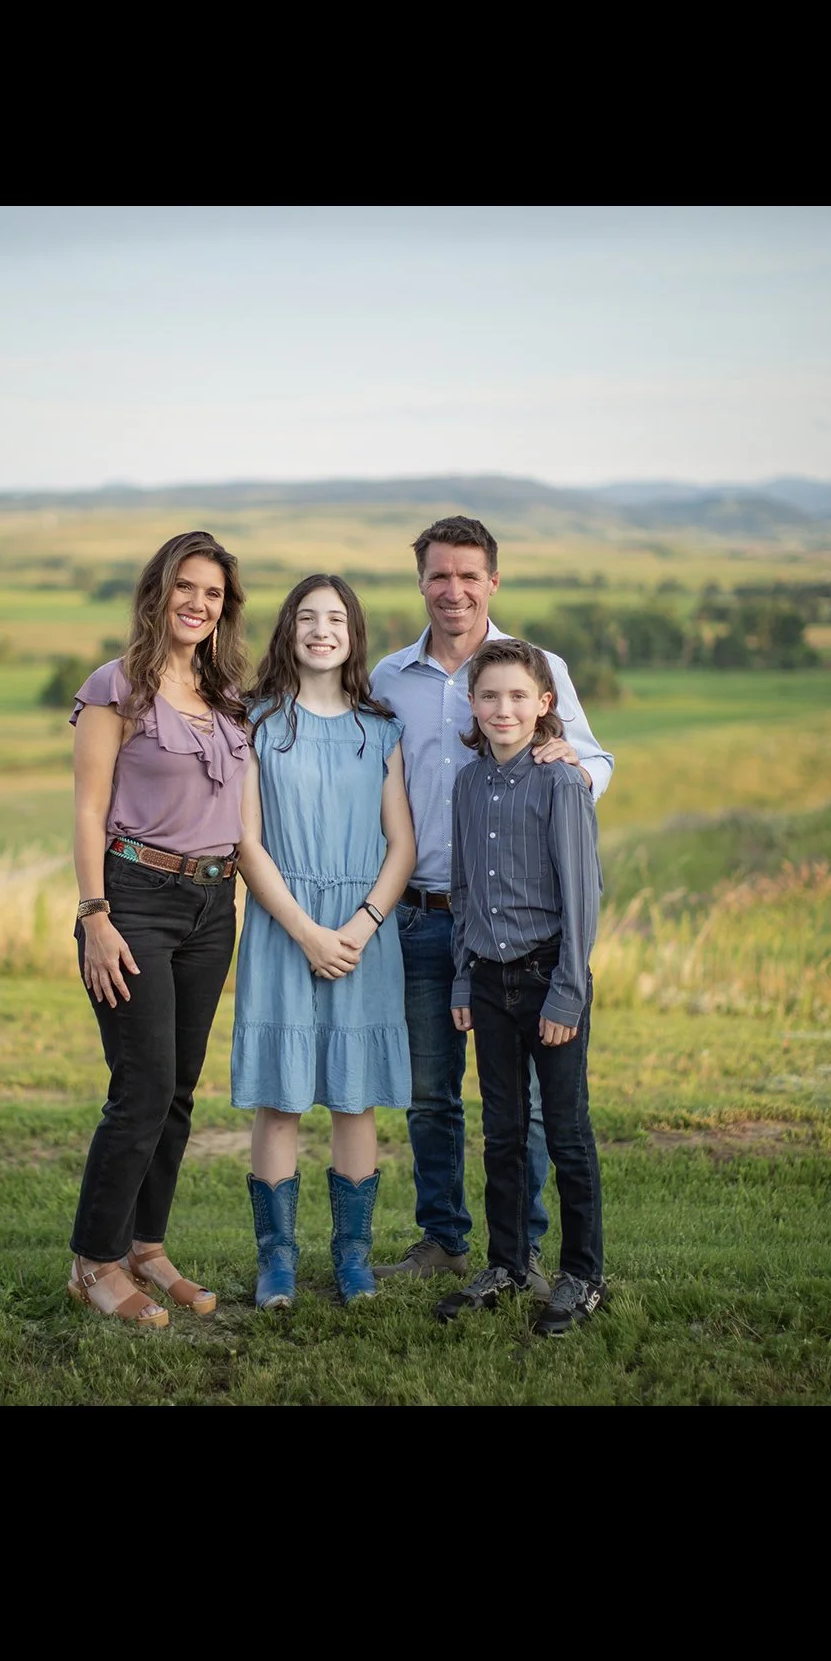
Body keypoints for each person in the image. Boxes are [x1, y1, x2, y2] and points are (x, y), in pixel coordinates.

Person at [367, 515, 613, 1291]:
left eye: (469, 575)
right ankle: (443, 1239)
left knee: (532, 1110)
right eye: (440, 575)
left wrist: (568, 771)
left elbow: (594, 757)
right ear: (421, 583)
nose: (454, 589)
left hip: (521, 932)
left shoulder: (537, 669)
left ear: (493, 581)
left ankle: (524, 1250)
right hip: (420, 913)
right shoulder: (387, 678)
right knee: (430, 1096)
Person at [65, 529, 249, 1328]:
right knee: (139, 1089)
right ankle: (93, 1263)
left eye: (212, 594)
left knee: (176, 1090)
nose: (198, 603)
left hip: (214, 905)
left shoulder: (228, 699)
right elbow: (85, 807)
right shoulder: (117, 687)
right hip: (133, 898)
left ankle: (146, 1246)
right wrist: (94, 914)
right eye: (187, 587)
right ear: (158, 591)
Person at [232, 575, 416, 1307]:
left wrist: (361, 926)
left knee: (354, 1098)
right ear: (288, 631)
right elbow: (245, 842)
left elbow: (401, 844)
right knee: (279, 1100)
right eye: (306, 617)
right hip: (283, 929)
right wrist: (307, 931)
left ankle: (353, 1258)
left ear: (353, 633)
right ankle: (276, 1260)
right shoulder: (258, 723)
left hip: (365, 934)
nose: (320, 629)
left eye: (335, 617)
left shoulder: (382, 728)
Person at [438, 638, 606, 1336]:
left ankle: (582, 1275)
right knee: (501, 1131)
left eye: (517, 697)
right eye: (489, 696)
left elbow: (583, 896)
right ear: (473, 706)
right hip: (487, 983)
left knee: (564, 1132)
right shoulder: (469, 784)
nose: (503, 709)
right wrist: (460, 977)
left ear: (544, 705)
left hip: (547, 980)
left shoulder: (562, 783)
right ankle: (506, 1264)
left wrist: (567, 992)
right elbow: (464, 888)